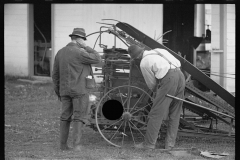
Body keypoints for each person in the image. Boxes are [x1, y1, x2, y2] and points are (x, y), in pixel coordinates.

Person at [52, 28, 101, 151]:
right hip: (79, 90)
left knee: (65, 117)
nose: (84, 42)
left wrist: (59, 91)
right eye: (83, 40)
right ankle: (76, 145)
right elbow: (97, 58)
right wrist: (87, 47)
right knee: (78, 117)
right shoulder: (80, 53)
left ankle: (63, 145)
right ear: (80, 40)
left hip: (64, 90)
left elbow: (55, 74)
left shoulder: (60, 53)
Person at [128, 45, 185, 150]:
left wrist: (156, 94)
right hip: (180, 76)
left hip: (169, 79)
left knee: (156, 113)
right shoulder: (159, 50)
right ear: (142, 50)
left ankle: (149, 144)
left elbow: (152, 84)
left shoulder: (144, 63)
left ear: (136, 57)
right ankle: (170, 144)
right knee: (175, 112)